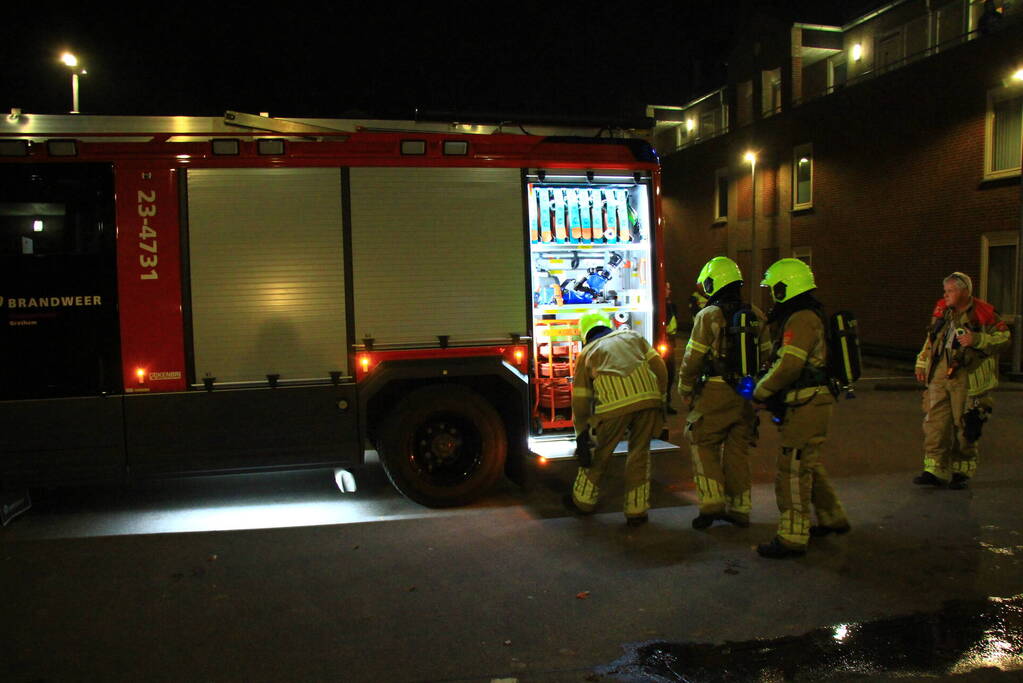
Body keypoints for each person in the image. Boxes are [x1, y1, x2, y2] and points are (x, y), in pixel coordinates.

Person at [753, 258, 849, 559]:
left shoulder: (801, 318)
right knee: (807, 462)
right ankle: (832, 516)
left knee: (791, 469)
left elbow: (790, 365)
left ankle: (792, 536)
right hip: (811, 401)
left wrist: (761, 389)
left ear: (786, 287)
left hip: (807, 402)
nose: (771, 296)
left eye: (774, 289)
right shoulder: (805, 314)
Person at [677, 257, 769, 529]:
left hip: (715, 390)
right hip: (746, 392)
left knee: (702, 442)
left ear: (713, 282)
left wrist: (684, 387)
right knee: (737, 450)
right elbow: (767, 355)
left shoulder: (708, 315)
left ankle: (711, 503)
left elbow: (693, 357)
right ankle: (740, 509)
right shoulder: (756, 313)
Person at [565, 312, 668, 526]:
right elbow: (659, 366)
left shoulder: (587, 352)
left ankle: (583, 501)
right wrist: (660, 396)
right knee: (640, 453)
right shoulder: (633, 337)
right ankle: (636, 510)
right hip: (648, 400)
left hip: (613, 406)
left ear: (586, 334)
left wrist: (582, 432)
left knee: (599, 453)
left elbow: (581, 400)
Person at [913, 272, 1011, 490]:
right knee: (934, 422)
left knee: (965, 425)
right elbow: (931, 339)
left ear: (964, 291)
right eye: (945, 291)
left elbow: (1004, 339)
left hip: (969, 378)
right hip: (940, 375)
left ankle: (961, 470)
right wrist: (922, 362)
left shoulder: (984, 313)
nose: (945, 295)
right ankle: (934, 469)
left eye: (950, 291)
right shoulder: (942, 312)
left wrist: (977, 339)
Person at [664, 281, 680, 414]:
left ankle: (666, 402)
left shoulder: (670, 306)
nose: (670, 291)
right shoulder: (662, 306)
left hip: (670, 342)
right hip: (666, 342)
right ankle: (663, 403)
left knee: (670, 375)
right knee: (666, 374)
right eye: (667, 288)